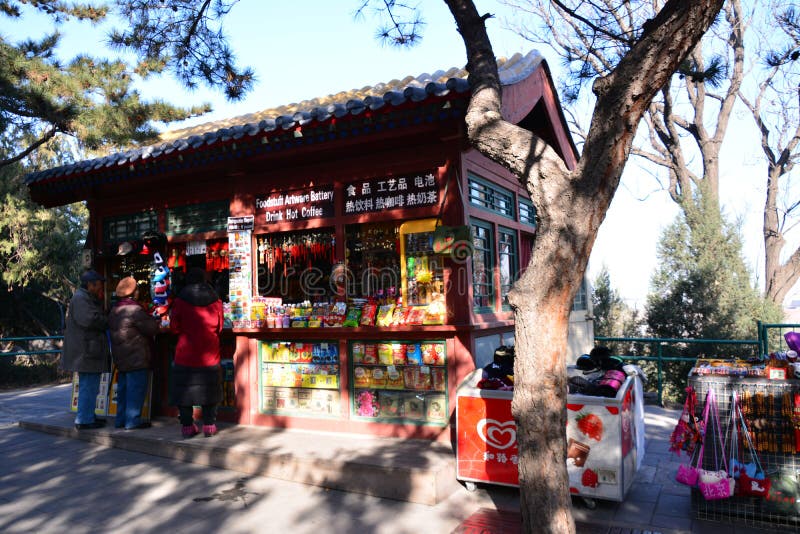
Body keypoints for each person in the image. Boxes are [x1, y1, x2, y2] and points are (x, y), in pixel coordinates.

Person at [169, 267, 224, 438]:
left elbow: (174, 327)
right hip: (209, 353)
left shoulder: (179, 301)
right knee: (210, 390)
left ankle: (187, 426)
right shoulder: (216, 301)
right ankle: (209, 425)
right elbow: (220, 327)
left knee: (184, 392)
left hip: (185, 354)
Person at [108, 276, 159, 430]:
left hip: (120, 357)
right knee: (135, 390)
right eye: (137, 289)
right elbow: (152, 329)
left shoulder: (114, 310)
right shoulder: (134, 310)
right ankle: (132, 421)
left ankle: (120, 420)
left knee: (123, 391)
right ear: (133, 292)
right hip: (136, 356)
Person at [62, 269, 109, 429]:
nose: (100, 288)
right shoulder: (81, 298)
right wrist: (106, 320)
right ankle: (84, 419)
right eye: (98, 285)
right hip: (85, 351)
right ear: (90, 284)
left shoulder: (84, 297)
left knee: (91, 386)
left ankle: (88, 415)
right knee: (88, 386)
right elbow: (89, 320)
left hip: (87, 349)